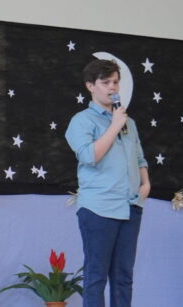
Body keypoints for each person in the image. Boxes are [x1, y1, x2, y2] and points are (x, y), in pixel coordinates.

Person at [65, 58, 150, 307]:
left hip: (130, 205)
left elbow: (139, 157)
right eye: (105, 82)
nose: (112, 87)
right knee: (96, 276)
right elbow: (90, 156)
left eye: (115, 82)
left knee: (123, 277)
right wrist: (113, 126)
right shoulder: (82, 121)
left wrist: (145, 185)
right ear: (90, 86)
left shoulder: (128, 122)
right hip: (98, 207)